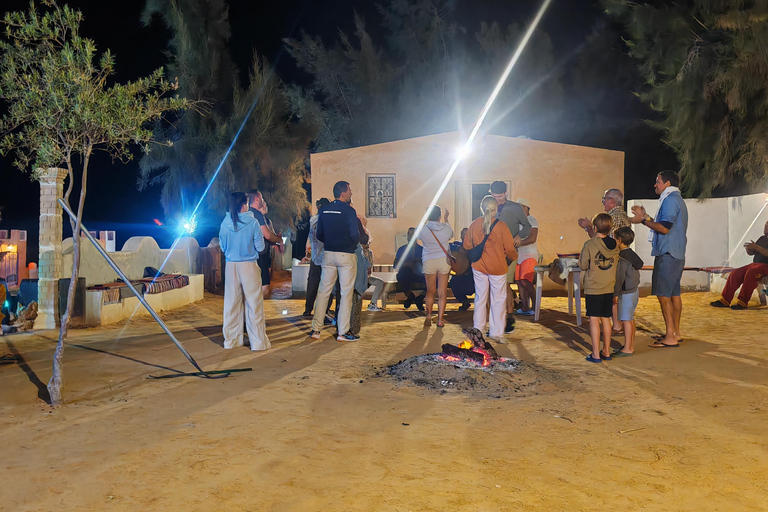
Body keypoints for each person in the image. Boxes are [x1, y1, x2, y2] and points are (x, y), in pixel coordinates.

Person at [630, 171, 688, 348]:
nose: (655, 185)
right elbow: (663, 225)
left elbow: (663, 229)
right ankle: (675, 333)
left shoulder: (670, 200)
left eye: (658, 182)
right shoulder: (677, 199)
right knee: (674, 294)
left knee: (664, 295)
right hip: (676, 253)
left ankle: (670, 336)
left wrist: (642, 220)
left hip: (668, 253)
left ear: (667, 183)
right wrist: (646, 217)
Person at [218, 192, 270, 351]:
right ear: (244, 205)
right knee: (254, 304)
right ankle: (258, 343)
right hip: (248, 265)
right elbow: (260, 247)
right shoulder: (253, 222)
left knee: (231, 304)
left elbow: (223, 247)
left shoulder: (225, 223)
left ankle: (231, 341)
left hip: (231, 266)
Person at [310, 181, 360, 342]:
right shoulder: (349, 211)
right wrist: (350, 245)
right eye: (350, 190)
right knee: (346, 294)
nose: (351, 193)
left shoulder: (324, 210)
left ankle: (316, 330)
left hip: (329, 254)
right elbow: (355, 235)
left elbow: (319, 234)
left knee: (323, 291)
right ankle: (342, 332)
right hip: (346, 255)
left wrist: (330, 243)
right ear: (343, 193)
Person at [464, 195, 518, 342]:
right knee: (498, 300)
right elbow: (510, 249)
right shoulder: (502, 226)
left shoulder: (474, 224)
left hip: (479, 266)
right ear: (496, 210)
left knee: (480, 298)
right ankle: (496, 333)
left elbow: (467, 245)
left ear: (482, 208)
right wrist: (513, 257)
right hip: (498, 267)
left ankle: (478, 330)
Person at [578, 188, 631, 332]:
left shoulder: (612, 218)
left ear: (612, 201)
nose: (603, 201)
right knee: (616, 294)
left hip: (612, 262)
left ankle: (617, 324)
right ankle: (618, 323)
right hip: (623, 258)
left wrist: (588, 226)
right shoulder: (624, 216)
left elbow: (599, 241)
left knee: (612, 295)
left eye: (605, 198)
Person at [490, 180, 531, 333]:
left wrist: (520, 236)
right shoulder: (489, 206)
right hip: (491, 252)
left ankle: (509, 316)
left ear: (506, 193)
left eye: (500, 196)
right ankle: (495, 320)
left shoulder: (515, 208)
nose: (497, 199)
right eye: (494, 196)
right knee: (493, 286)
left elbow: (527, 226)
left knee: (505, 284)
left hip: (509, 251)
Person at [579, 213, 620, 362]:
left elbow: (583, 265)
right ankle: (606, 351)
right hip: (609, 287)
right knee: (606, 319)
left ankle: (595, 354)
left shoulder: (590, 244)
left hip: (594, 287)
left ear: (595, 227)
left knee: (594, 320)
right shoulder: (615, 244)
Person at [711, 220, 768, 310]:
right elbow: (753, 252)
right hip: (755, 264)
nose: (765, 228)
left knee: (751, 273)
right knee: (736, 273)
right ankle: (725, 300)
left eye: (767, 226)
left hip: (766, 266)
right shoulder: (762, 238)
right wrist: (749, 249)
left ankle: (742, 302)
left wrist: (755, 247)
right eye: (765, 225)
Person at [417, 205, 453, 327]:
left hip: (429, 260)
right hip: (443, 260)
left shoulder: (423, 229)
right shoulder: (446, 228)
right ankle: (440, 320)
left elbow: (418, 236)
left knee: (430, 290)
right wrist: (446, 219)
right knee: (442, 292)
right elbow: (450, 234)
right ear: (439, 216)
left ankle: (428, 314)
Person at [612, 227, 644, 356]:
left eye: (614, 238)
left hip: (626, 293)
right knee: (630, 319)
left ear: (619, 240)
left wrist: (615, 293)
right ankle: (630, 345)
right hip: (634, 290)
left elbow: (620, 277)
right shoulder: (632, 254)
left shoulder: (622, 258)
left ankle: (627, 348)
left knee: (626, 320)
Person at [246, 189, 283, 298]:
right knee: (264, 288)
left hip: (249, 255)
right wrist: (279, 240)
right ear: (257, 199)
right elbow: (267, 235)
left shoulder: (246, 214)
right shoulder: (256, 214)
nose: (263, 200)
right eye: (261, 198)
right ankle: (254, 310)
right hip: (259, 255)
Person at [303, 197, 331, 316]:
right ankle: (325, 310)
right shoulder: (328, 220)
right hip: (326, 256)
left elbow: (310, 236)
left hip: (315, 256)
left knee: (312, 284)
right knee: (327, 285)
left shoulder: (313, 220)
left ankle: (308, 309)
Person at [514, 198, 538, 315]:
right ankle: (525, 307)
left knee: (527, 281)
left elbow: (532, 238)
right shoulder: (518, 222)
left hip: (529, 254)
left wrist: (518, 243)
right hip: (519, 255)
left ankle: (535, 307)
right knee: (519, 282)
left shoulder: (531, 220)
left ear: (525, 208)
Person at [394, 227, 426, 311]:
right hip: (406, 273)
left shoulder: (423, 250)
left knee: (433, 278)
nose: (411, 236)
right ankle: (410, 296)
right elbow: (395, 265)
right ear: (407, 236)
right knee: (401, 275)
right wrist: (406, 264)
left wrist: (417, 263)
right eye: (410, 234)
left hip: (419, 273)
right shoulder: (401, 249)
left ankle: (419, 298)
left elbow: (427, 263)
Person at [449, 228, 475, 311]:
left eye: (467, 234)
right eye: (463, 234)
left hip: (472, 276)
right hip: (460, 277)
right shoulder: (457, 244)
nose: (465, 236)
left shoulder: (474, 248)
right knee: (453, 282)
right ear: (460, 236)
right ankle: (464, 301)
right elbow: (448, 246)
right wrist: (458, 249)